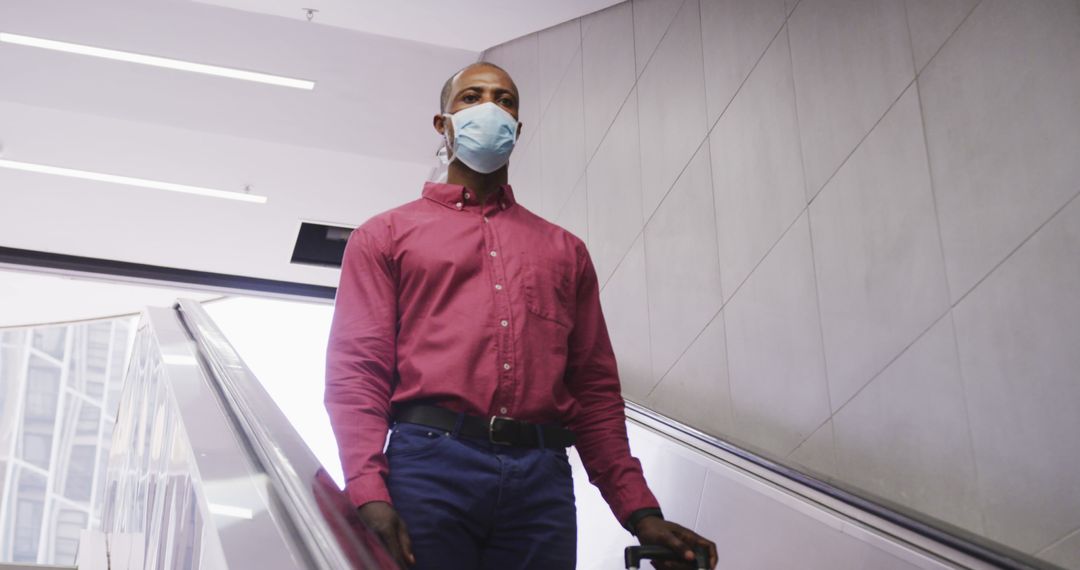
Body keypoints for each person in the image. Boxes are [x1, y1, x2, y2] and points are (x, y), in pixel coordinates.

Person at [325, 61, 717, 570]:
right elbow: (358, 372)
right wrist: (368, 489)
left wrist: (640, 511)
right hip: (428, 468)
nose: (490, 108)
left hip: (542, 481)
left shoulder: (564, 251)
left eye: (504, 100)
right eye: (471, 97)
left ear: (518, 127)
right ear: (442, 124)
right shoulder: (384, 237)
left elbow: (594, 391)